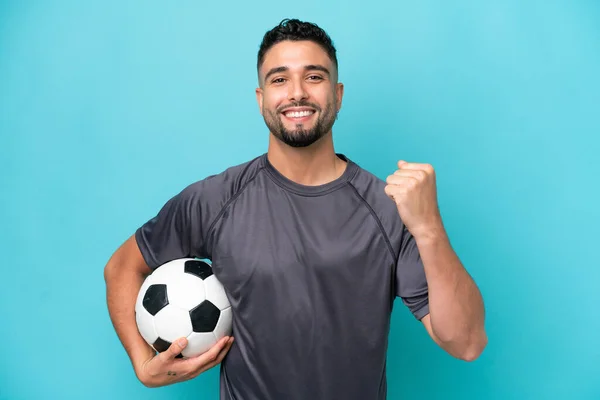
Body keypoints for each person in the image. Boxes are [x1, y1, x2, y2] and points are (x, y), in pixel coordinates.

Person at [104, 18, 487, 400]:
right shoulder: (215, 199)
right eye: (279, 79)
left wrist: (429, 229)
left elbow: (466, 343)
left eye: (314, 77)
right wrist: (143, 366)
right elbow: (122, 267)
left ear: (337, 94)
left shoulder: (386, 208)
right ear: (261, 98)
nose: (297, 93)